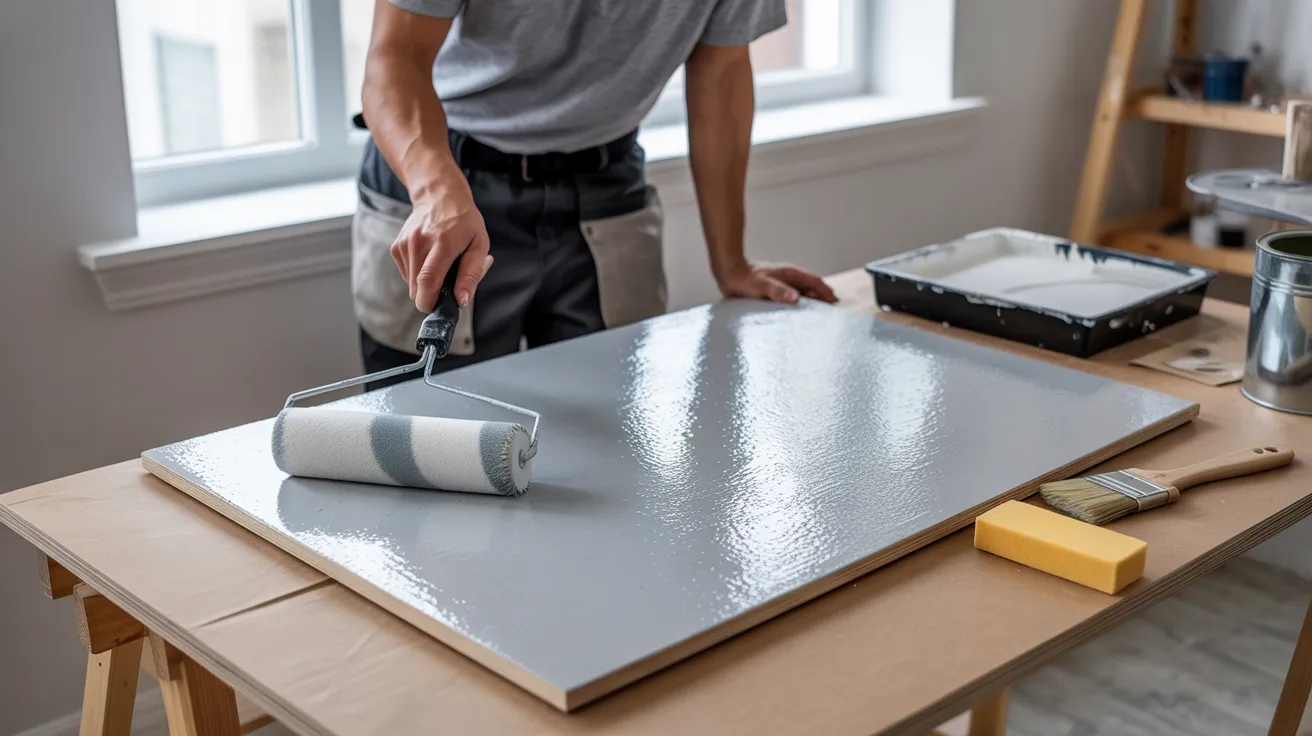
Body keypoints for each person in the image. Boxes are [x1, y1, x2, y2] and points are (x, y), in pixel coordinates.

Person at [353, 0, 837, 383]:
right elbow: (395, 60)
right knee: (431, 441)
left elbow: (722, 70)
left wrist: (732, 263)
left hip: (606, 184)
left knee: (610, 451)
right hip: (444, 179)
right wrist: (436, 188)